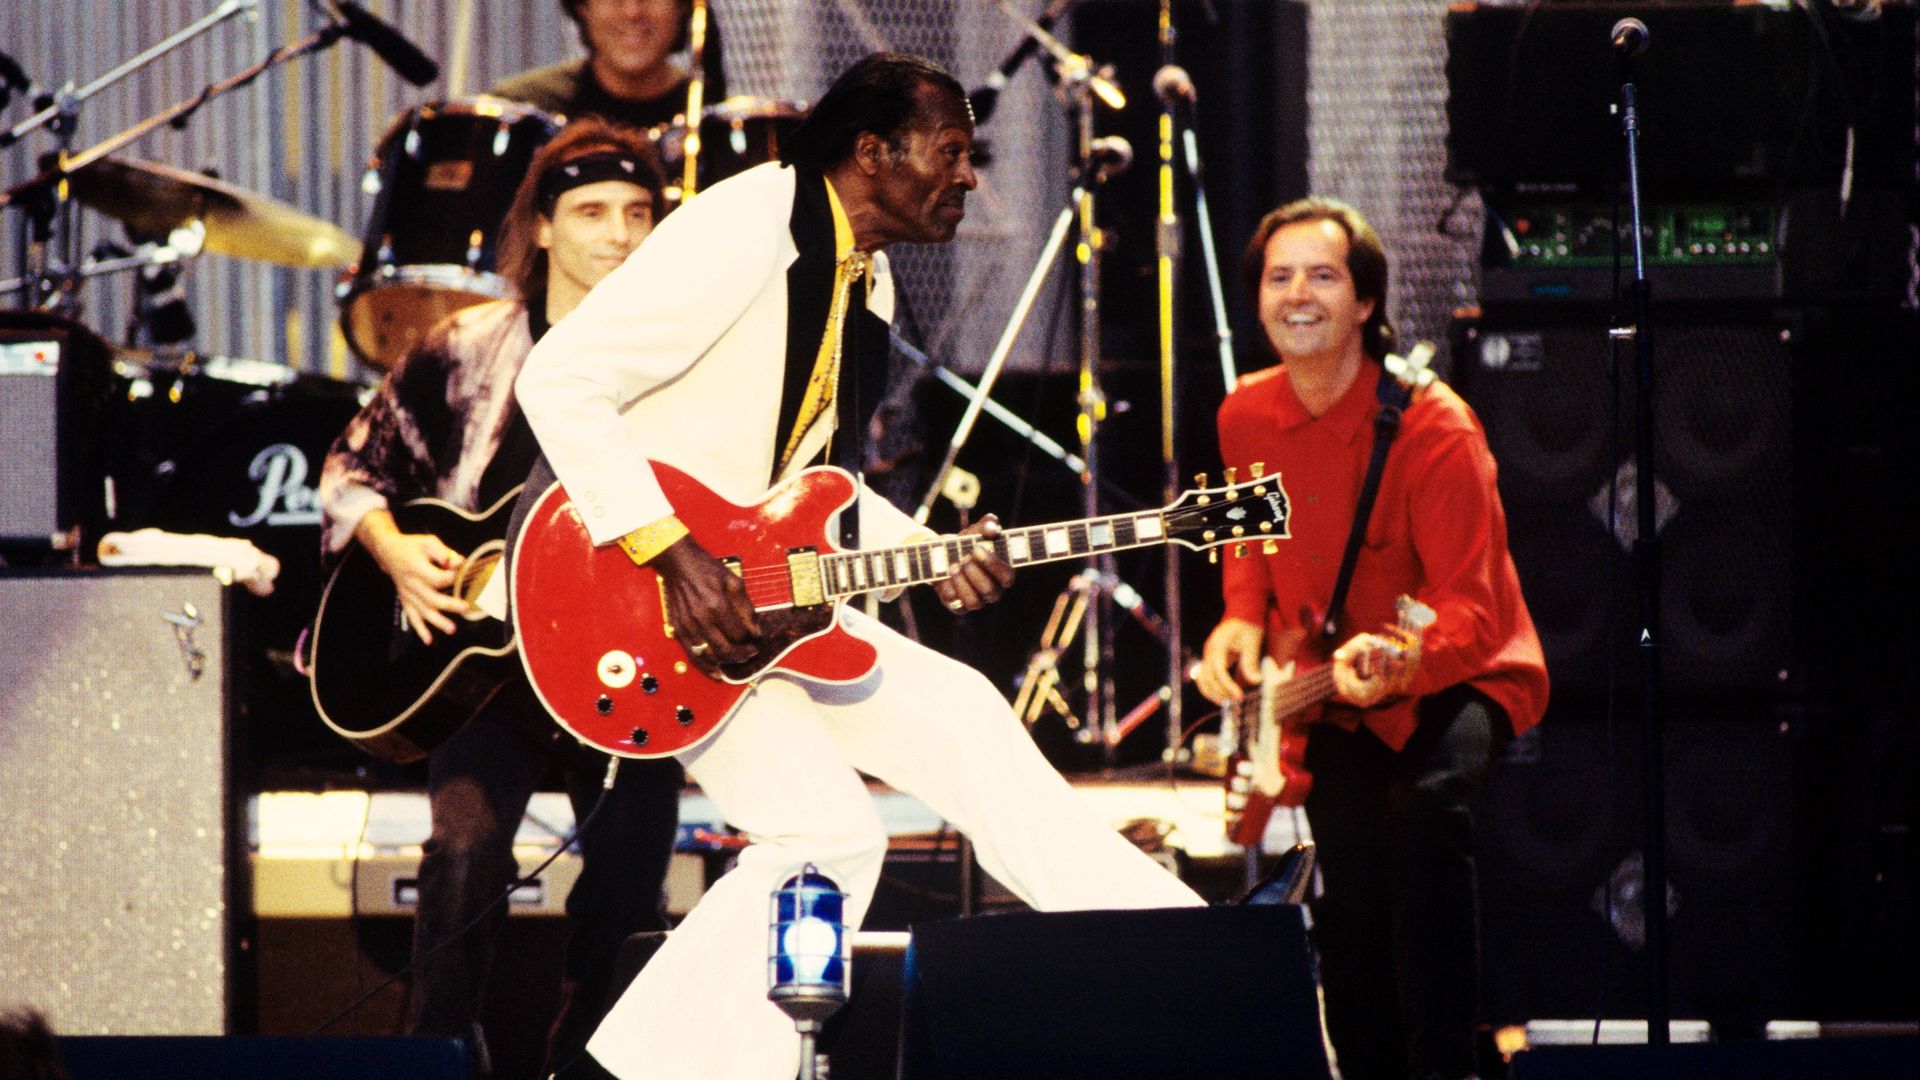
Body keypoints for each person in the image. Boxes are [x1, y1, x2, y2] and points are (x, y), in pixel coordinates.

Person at [512, 53, 1204, 1080]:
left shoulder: (859, 276)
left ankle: (1193, 964)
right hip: (646, 597)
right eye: (953, 154)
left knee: (929, 751)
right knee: (827, 835)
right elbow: (558, 377)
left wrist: (931, 557)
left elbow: (813, 491)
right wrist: (672, 552)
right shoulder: (745, 226)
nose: (969, 179)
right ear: (871, 153)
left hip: (756, 595)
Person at [318, 118, 684, 1078]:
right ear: (547, 227)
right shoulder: (468, 344)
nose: (617, 233)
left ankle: (594, 1064)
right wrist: (395, 551)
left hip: (618, 660)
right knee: (465, 854)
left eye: (639, 213)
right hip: (478, 670)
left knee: (631, 885)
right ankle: (439, 1058)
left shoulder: (680, 364)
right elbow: (353, 470)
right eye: (592, 211)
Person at [1193, 197, 1550, 1080]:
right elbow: (1248, 534)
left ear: (1364, 303)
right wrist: (1241, 612)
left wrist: (1402, 665)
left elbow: (1471, 607)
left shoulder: (1435, 426)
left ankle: (1452, 1065)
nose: (1298, 295)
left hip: (1464, 671)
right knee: (1346, 872)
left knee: (1423, 811)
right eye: (1279, 278)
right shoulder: (1243, 415)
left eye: (1323, 275)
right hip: (1327, 677)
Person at [491, 0, 705, 132]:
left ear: (684, 5)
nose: (633, 12)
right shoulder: (521, 109)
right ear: (582, 6)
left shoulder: (709, 113)